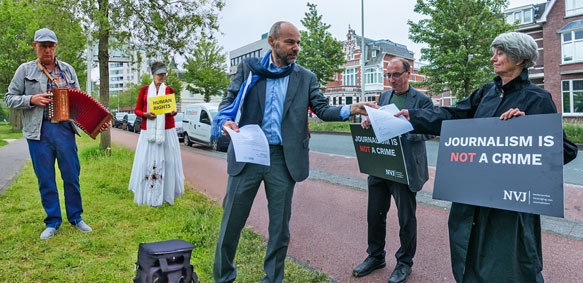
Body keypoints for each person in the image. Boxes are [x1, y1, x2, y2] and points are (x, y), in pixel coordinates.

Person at [395, 32, 578, 282]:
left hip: (509, 205)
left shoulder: (538, 98)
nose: (493, 58)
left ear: (520, 58)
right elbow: (453, 115)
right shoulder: (485, 93)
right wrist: (413, 117)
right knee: (466, 254)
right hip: (473, 194)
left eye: (500, 53)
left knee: (508, 265)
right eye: (494, 52)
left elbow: (565, 149)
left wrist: (526, 131)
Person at [213, 21, 375, 283]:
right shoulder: (249, 70)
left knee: (279, 229)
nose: (296, 47)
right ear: (272, 42)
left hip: (282, 159)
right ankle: (223, 277)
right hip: (248, 155)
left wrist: (350, 109)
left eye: (298, 42)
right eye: (290, 42)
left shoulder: (305, 77)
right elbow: (228, 103)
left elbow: (323, 109)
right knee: (232, 222)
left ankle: (272, 279)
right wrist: (225, 122)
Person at [6, 28, 109, 239]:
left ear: (56, 47)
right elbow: (9, 98)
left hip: (64, 130)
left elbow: (80, 104)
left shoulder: (68, 71)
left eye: (50, 46)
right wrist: (30, 100)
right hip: (39, 132)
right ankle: (52, 221)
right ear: (35, 46)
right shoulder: (24, 70)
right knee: (45, 178)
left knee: (71, 175)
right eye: (42, 46)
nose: (47, 50)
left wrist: (97, 123)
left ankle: (76, 217)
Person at [354, 58, 434, 283]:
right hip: (381, 165)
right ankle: (375, 256)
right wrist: (369, 122)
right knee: (375, 214)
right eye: (388, 75)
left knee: (406, 218)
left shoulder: (423, 100)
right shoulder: (384, 97)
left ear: (409, 74)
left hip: (406, 169)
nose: (391, 80)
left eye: (396, 75)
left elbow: (430, 131)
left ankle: (404, 262)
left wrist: (404, 130)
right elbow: (378, 122)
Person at [128, 61, 184, 207]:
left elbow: (173, 109)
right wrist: (145, 114)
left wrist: (173, 112)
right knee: (146, 161)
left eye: (164, 74)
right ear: (153, 74)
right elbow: (137, 110)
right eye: (160, 74)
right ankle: (148, 193)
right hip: (149, 131)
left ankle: (165, 194)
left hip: (166, 130)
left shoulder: (169, 90)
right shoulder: (145, 90)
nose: (163, 77)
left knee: (168, 162)